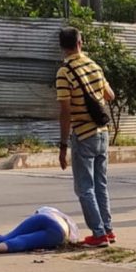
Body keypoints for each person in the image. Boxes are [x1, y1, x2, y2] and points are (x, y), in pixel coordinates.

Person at [55, 26, 116, 246]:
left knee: (84, 187)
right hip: (102, 134)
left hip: (83, 133)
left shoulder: (64, 72)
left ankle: (98, 235)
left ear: (62, 46)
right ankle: (108, 230)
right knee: (100, 184)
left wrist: (63, 146)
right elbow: (110, 95)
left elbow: (65, 111)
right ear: (80, 42)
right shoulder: (94, 66)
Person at [0, 206, 79, 255]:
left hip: (43, 217)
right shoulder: (70, 224)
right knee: (24, 241)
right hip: (60, 233)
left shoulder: (48, 210)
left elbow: (33, 219)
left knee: (11, 235)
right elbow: (73, 240)